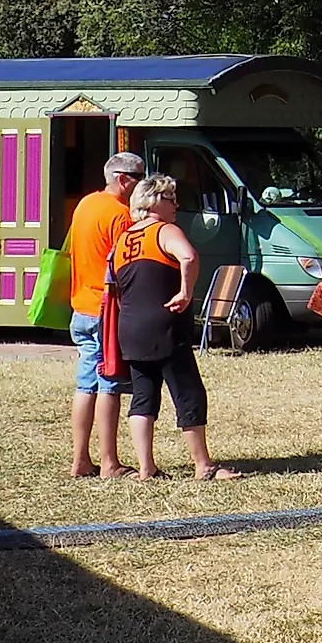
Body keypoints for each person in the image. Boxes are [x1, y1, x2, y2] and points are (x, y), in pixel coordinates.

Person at [109, 174, 239, 481]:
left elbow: (116, 286)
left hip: (131, 328)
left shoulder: (123, 239)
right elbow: (189, 257)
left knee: (143, 397)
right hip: (165, 324)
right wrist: (186, 292)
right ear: (154, 202)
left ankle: (146, 468)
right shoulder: (164, 230)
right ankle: (203, 466)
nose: (176, 205)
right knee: (188, 392)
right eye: (171, 198)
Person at [63, 150, 145, 478]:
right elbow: (127, 268)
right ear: (123, 179)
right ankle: (109, 462)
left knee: (85, 386)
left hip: (81, 307)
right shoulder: (120, 215)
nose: (142, 184)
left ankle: (80, 459)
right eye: (139, 178)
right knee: (109, 384)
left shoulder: (85, 205)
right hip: (106, 311)